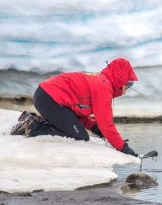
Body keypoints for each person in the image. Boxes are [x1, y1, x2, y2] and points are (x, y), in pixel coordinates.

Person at [10, 57, 139, 157]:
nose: (127, 88)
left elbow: (74, 112)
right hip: (50, 99)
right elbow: (106, 124)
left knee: (76, 130)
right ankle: (33, 127)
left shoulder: (100, 82)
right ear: (120, 79)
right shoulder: (103, 87)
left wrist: (94, 127)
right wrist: (123, 148)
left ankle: (30, 121)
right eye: (128, 83)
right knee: (80, 136)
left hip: (45, 96)